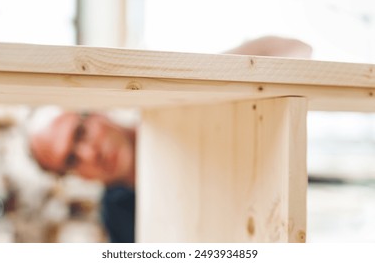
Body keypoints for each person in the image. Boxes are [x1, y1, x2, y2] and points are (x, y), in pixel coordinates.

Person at [29, 36, 312, 243]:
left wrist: (209, 76)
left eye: (80, 133)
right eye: (71, 159)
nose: (89, 154)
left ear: (96, 110)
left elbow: (294, 49)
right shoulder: (118, 216)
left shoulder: (179, 110)